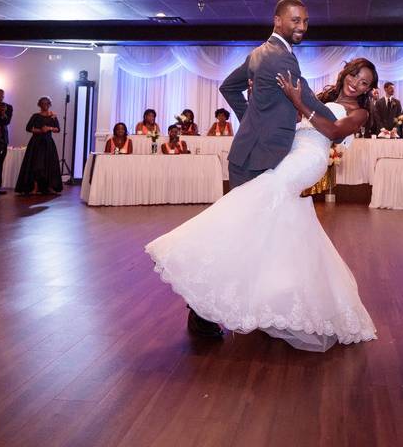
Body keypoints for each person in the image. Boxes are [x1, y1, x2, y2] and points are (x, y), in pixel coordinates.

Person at [147, 58, 378, 352]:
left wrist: (298, 100)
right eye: (355, 74)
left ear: (368, 89)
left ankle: (195, 264)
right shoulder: (320, 98)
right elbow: (289, 121)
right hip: (288, 153)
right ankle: (268, 304)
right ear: (346, 72)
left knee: (248, 207)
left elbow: (333, 132)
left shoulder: (359, 113)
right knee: (263, 224)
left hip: (308, 160)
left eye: (364, 82)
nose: (356, 82)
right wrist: (267, 97)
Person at [219, 0, 337, 190]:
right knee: (256, 219)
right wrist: (339, 130)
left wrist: (249, 117)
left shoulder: (259, 52)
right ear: (277, 21)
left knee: (245, 219)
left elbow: (228, 88)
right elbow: (308, 100)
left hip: (247, 154)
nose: (302, 26)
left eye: (305, 21)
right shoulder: (280, 57)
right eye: (295, 20)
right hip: (261, 158)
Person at [15, 96, 62, 195]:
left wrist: (49, 128)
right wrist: (40, 130)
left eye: (47, 103)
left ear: (49, 104)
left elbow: (58, 129)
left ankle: (49, 187)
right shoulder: (35, 116)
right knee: (36, 165)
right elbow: (28, 128)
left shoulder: (53, 116)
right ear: (39, 105)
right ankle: (35, 188)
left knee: (49, 164)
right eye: (43, 103)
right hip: (36, 143)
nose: (45, 105)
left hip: (48, 143)